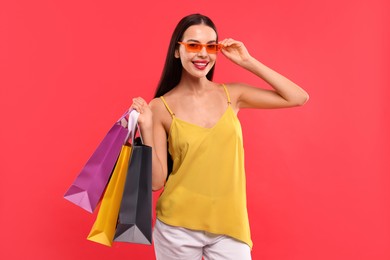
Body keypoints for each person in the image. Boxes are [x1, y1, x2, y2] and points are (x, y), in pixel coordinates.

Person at [131, 13, 309, 260]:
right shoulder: (161, 107)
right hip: (176, 228)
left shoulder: (232, 95)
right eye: (193, 45)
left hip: (230, 228)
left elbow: (297, 97)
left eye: (210, 46)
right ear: (176, 51)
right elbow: (156, 182)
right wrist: (147, 128)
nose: (203, 54)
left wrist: (248, 61)